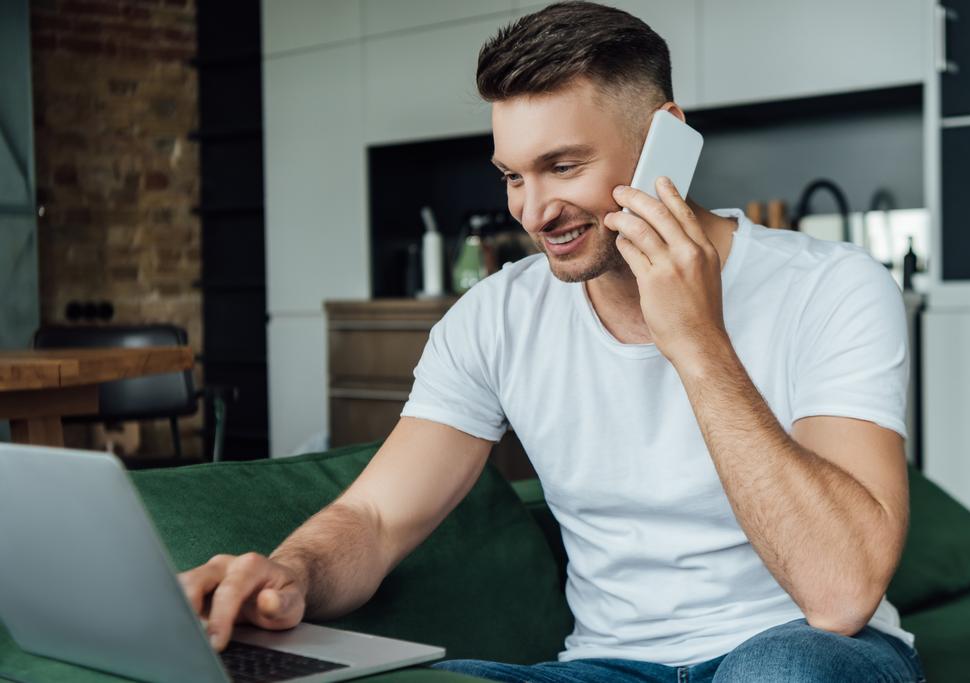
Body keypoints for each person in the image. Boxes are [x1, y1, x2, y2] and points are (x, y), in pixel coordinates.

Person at [178, 2, 927, 681]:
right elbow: (375, 519)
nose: (535, 212)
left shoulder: (833, 287)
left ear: (668, 137)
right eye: (512, 176)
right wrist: (291, 572)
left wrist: (696, 342)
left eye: (563, 166)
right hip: (607, 667)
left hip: (807, 648)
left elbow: (842, 591)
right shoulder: (495, 318)